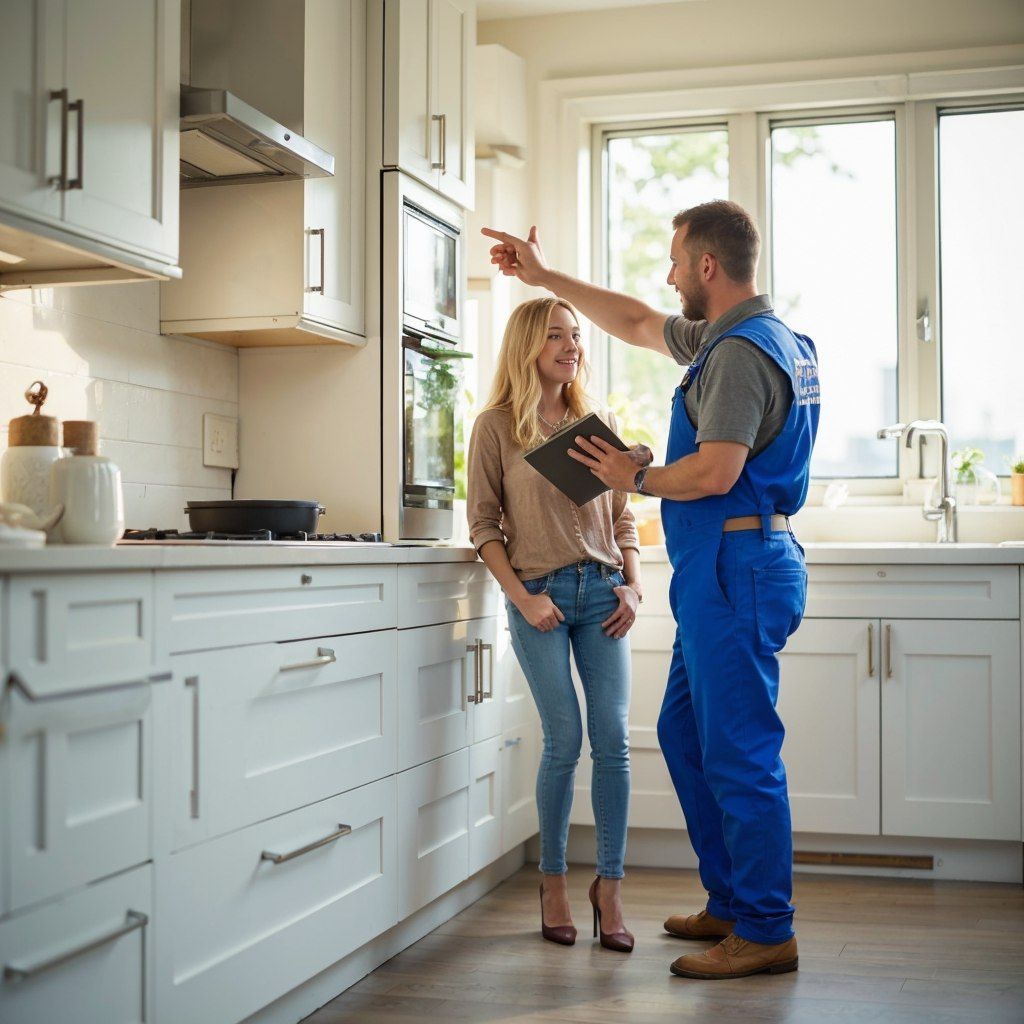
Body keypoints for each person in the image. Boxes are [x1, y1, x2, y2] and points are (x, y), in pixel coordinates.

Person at [482, 200, 820, 981]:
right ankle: (733, 902)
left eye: (675, 263)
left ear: (707, 267)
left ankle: (766, 926)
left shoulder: (738, 355)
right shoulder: (753, 337)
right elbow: (634, 322)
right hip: (725, 569)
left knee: (739, 751)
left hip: (738, 567)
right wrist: (541, 275)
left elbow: (716, 471)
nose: (667, 278)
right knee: (682, 731)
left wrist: (634, 477)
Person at [467, 296, 644, 953]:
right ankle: (553, 882)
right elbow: (484, 525)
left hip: (601, 595)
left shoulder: (598, 423)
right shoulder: (495, 428)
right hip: (538, 595)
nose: (572, 346)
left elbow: (623, 517)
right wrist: (521, 598)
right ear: (526, 348)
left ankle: (612, 887)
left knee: (614, 740)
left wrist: (634, 583)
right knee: (564, 740)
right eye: (556, 336)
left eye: (576, 336)